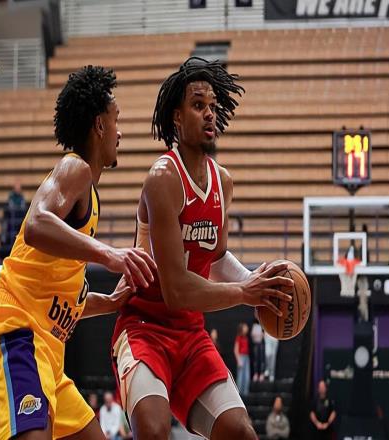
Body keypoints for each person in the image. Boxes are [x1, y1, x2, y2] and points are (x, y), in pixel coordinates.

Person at [111, 57, 294, 440]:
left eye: (212, 106)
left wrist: (255, 282)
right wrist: (244, 292)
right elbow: (176, 290)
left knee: (242, 433)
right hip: (144, 328)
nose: (209, 113)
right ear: (177, 118)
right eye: (198, 105)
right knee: (154, 430)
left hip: (191, 334)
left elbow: (218, 257)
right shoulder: (163, 178)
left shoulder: (223, 182)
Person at [0, 65, 156, 440]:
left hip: (49, 353)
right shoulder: (75, 169)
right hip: (17, 330)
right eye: (116, 119)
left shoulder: (90, 198)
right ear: (99, 125)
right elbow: (35, 225)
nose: (120, 132)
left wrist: (112, 302)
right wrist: (109, 255)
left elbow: (61, 297)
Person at [234, 323, 250, 395]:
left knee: (246, 376)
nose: (246, 328)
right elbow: (235, 350)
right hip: (241, 357)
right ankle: (239, 393)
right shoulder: (238, 338)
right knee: (240, 376)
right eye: (245, 327)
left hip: (246, 357)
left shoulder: (246, 337)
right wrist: (238, 360)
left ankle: (245, 393)